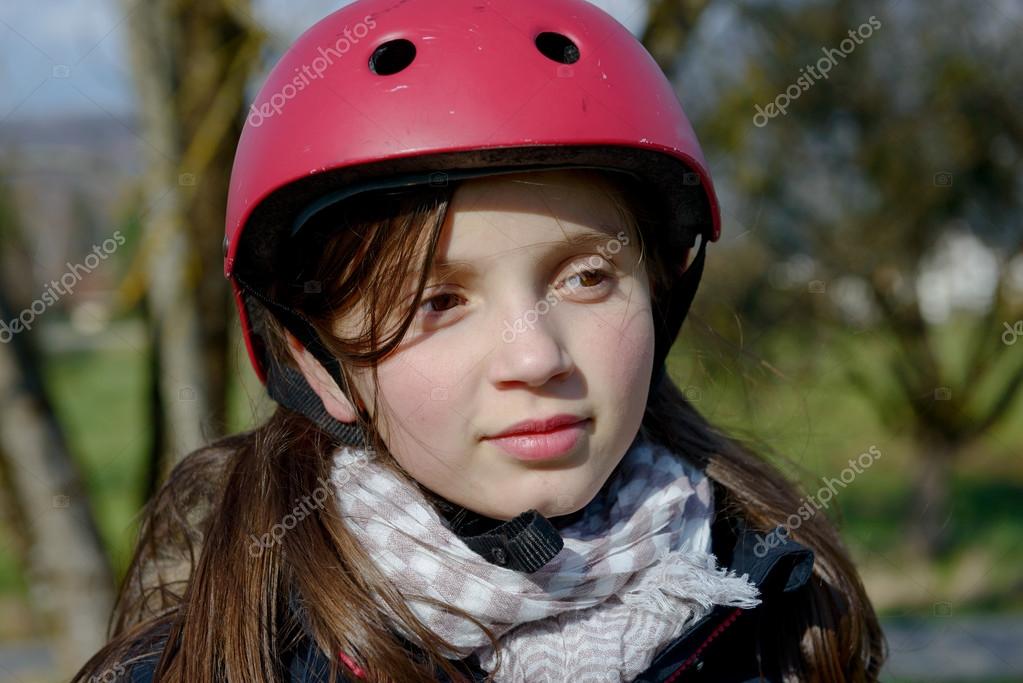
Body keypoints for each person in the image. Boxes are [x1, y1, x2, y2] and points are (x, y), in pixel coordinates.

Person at [73, 0, 886, 681]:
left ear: (660, 291)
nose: (536, 359)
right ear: (314, 362)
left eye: (587, 278)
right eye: (436, 301)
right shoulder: (222, 660)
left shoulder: (786, 614)